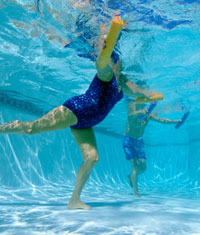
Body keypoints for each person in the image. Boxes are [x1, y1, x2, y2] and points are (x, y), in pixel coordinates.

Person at [0, 18, 152, 210]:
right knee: (31, 128)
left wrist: (150, 95)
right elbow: (101, 65)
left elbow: (136, 91)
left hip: (87, 123)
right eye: (116, 62)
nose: (118, 65)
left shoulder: (123, 88)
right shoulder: (107, 75)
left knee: (92, 158)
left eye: (120, 64)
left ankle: (74, 200)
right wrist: (105, 51)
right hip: (75, 110)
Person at [123, 100, 182, 197]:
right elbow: (130, 115)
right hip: (128, 141)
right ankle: (136, 191)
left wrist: (175, 121)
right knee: (135, 166)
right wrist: (141, 112)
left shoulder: (148, 116)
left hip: (139, 141)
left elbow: (162, 120)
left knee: (143, 168)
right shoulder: (133, 115)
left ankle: (131, 177)